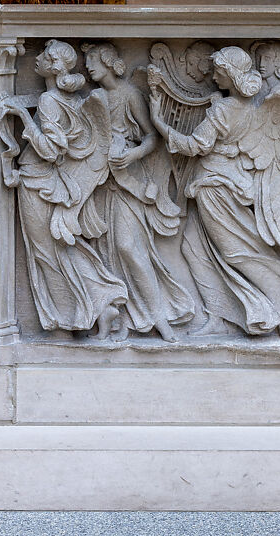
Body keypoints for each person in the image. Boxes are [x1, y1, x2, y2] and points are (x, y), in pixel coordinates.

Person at [151, 46, 280, 340]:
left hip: (216, 190)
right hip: (223, 186)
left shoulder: (224, 109)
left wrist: (159, 123)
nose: (214, 77)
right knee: (193, 248)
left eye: (219, 72)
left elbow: (195, 147)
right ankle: (221, 316)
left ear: (231, 74)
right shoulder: (246, 107)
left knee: (236, 253)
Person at [0, 40, 127, 337]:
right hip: (47, 183)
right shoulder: (67, 99)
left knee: (47, 254)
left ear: (54, 66)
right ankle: (97, 305)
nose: (38, 58)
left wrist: (22, 118)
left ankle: (74, 319)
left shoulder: (48, 102)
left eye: (45, 56)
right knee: (58, 251)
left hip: (39, 182)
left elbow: (50, 150)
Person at [84, 42, 193, 341]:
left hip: (130, 182)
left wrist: (132, 156)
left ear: (109, 61)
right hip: (102, 185)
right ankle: (125, 319)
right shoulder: (94, 98)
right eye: (86, 59)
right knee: (110, 254)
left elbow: (152, 138)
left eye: (94, 58)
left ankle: (160, 318)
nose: (89, 64)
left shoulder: (129, 94)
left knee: (130, 249)